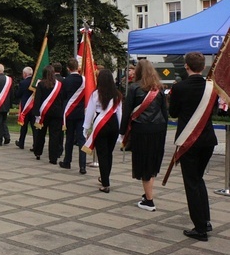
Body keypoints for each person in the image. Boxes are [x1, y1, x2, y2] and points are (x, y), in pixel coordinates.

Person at [169, 51, 217, 241]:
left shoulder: (179, 88)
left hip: (189, 141)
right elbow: (212, 111)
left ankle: (200, 228)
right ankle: (205, 220)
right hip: (208, 140)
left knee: (191, 182)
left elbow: (173, 112)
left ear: (186, 66)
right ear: (203, 66)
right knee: (198, 179)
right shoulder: (211, 87)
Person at [121, 59, 168, 212]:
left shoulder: (134, 88)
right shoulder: (159, 88)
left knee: (144, 164)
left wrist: (122, 132)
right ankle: (147, 193)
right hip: (158, 129)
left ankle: (149, 201)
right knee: (152, 163)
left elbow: (127, 111)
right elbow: (164, 113)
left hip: (142, 129)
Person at [82, 69, 122, 193]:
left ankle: (105, 183)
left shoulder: (96, 94)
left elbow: (89, 111)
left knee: (102, 154)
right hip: (113, 124)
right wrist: (121, 131)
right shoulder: (117, 94)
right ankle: (105, 177)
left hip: (101, 124)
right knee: (108, 153)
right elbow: (120, 113)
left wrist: (86, 127)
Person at [31, 65, 64, 163]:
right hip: (57, 113)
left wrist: (36, 113)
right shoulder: (59, 84)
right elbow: (62, 99)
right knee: (54, 136)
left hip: (44, 113)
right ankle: (53, 158)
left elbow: (37, 100)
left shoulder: (41, 84)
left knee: (41, 134)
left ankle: (38, 152)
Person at [61, 58, 87, 174]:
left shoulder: (65, 81)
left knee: (69, 138)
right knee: (81, 139)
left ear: (68, 68)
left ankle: (67, 161)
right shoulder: (84, 80)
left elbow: (63, 96)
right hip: (81, 113)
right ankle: (82, 166)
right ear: (77, 67)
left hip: (69, 112)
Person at [15, 66, 34, 150]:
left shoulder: (23, 83)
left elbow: (18, 94)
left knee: (24, 126)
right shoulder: (36, 82)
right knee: (34, 128)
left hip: (25, 107)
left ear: (25, 74)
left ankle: (21, 142)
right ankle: (35, 144)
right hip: (33, 107)